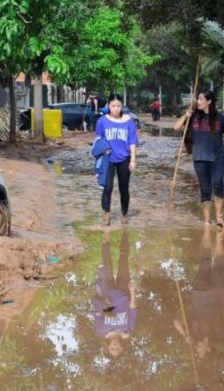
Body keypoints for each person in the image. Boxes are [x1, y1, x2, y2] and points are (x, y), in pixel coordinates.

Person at [173, 224, 224, 360]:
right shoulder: (218, 333)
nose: (197, 350)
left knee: (204, 261)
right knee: (218, 265)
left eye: (196, 352)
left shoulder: (193, 335)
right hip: (217, 293)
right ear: (208, 349)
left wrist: (185, 334)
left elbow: (175, 321)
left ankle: (208, 230)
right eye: (200, 352)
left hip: (200, 293)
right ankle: (219, 237)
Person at [173, 90, 224, 227]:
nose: (198, 101)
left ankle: (219, 217)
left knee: (218, 184)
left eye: (201, 99)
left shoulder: (220, 118)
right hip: (200, 158)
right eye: (198, 99)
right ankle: (207, 220)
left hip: (218, 157)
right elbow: (176, 127)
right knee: (205, 188)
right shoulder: (193, 116)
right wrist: (185, 116)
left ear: (209, 101)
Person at [95, 94, 138, 226]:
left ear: (122, 106)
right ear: (108, 106)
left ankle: (124, 214)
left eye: (118, 106)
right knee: (107, 187)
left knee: (123, 188)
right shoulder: (102, 121)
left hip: (124, 158)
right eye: (113, 106)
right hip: (108, 158)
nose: (116, 109)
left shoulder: (128, 121)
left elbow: (132, 141)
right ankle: (106, 215)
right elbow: (98, 139)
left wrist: (133, 160)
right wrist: (102, 149)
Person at [92, 229, 137, 358]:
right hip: (124, 291)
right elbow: (133, 310)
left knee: (107, 262)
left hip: (107, 291)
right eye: (117, 349)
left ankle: (106, 234)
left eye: (112, 349)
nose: (115, 346)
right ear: (122, 347)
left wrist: (104, 307)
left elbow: (96, 311)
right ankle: (125, 232)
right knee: (123, 259)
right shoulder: (127, 330)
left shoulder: (101, 331)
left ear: (108, 347)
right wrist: (132, 292)